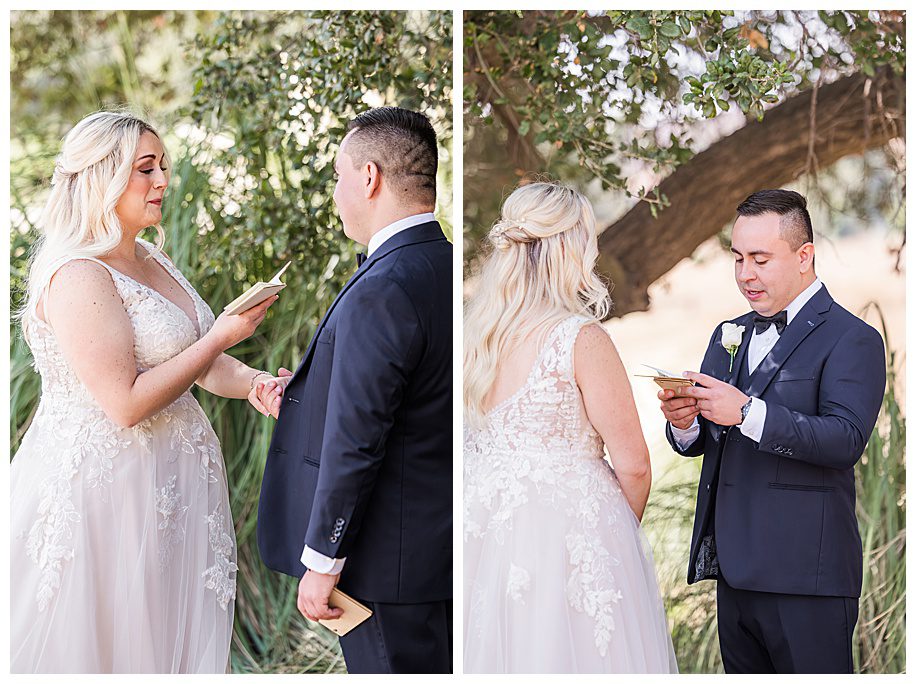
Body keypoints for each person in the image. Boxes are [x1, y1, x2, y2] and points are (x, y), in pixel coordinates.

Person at [10, 110, 284, 673]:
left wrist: (257, 382)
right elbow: (125, 403)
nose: (162, 181)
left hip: (171, 489)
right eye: (145, 169)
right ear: (103, 176)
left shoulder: (149, 257)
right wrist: (222, 337)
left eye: (163, 167)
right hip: (108, 497)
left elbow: (199, 366)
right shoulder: (79, 275)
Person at [255, 107, 453, 674]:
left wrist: (322, 560)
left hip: (384, 568)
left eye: (338, 177)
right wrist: (309, 393)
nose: (336, 193)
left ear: (369, 178)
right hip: (432, 555)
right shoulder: (438, 265)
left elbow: (358, 438)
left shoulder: (384, 284)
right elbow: (414, 399)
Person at [660, 189, 886, 673]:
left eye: (760, 259)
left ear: (804, 256)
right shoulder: (728, 333)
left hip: (808, 581)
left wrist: (745, 412)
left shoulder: (853, 339)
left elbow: (844, 439)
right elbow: (704, 439)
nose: (745, 275)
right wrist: (684, 424)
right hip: (736, 579)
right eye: (738, 258)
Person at [463, 182, 677, 673]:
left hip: (486, 539)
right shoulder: (580, 339)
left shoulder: (478, 336)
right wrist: (610, 541)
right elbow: (635, 464)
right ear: (569, 248)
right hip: (570, 541)